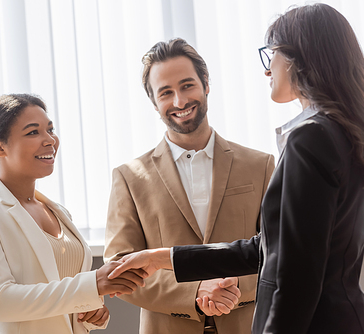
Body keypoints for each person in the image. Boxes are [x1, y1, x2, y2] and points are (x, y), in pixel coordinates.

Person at [108, 3, 364, 334]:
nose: (267, 68)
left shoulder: (310, 137)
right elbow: (269, 248)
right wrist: (165, 258)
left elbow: (296, 273)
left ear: (300, 57)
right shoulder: (344, 130)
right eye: (165, 92)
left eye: (271, 53)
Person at [104, 38, 275, 334]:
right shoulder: (128, 177)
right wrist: (194, 291)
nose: (180, 102)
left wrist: (231, 284)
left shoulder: (260, 165)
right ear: (153, 101)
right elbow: (120, 269)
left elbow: (280, 251)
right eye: (166, 93)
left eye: (187, 86)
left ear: (206, 83)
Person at [0, 94, 146, 334]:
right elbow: (1, 301)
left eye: (50, 129)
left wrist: (90, 312)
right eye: (33, 132)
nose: (50, 140)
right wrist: (92, 285)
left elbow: (66, 297)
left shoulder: (58, 212)